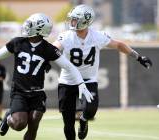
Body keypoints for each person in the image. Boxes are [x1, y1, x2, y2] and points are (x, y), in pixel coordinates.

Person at [0, 13, 94, 140]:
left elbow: (69, 66)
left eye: (30, 24)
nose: (26, 26)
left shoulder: (48, 49)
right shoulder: (18, 42)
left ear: (39, 29)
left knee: (34, 123)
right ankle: (8, 117)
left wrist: (81, 84)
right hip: (19, 92)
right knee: (19, 124)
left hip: (37, 94)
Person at [53, 4, 152, 140]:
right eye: (72, 19)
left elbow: (119, 45)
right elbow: (54, 48)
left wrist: (138, 56)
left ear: (85, 21)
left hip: (88, 80)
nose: (72, 22)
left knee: (91, 110)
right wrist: (46, 59)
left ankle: (83, 120)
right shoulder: (66, 36)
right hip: (67, 81)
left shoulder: (97, 36)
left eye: (75, 19)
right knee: (68, 122)